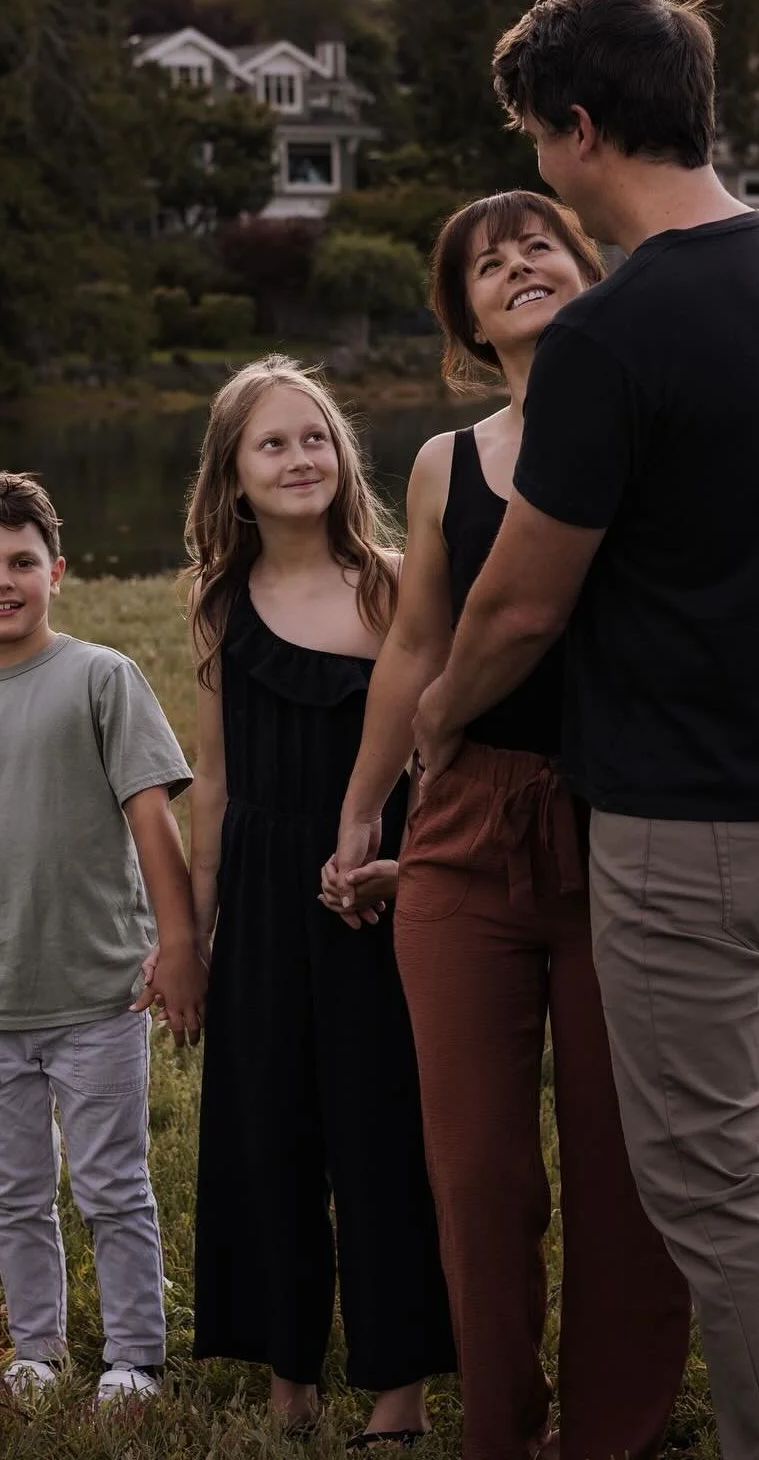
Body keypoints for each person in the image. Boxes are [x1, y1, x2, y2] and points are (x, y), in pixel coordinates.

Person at [412, 0, 759, 1460]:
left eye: (535, 137)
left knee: (710, 1184)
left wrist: (438, 717)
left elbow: (519, 606)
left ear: (580, 131)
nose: (538, 165)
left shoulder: (614, 337)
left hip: (690, 823)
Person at [325, 191, 691, 1460]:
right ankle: (500, 1430)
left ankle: (612, 1434)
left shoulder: (655, 416)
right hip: (466, 816)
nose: (518, 264)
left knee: (622, 1167)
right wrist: (368, 803)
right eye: (487, 264)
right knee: (479, 1176)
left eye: (542, 242)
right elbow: (417, 642)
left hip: (626, 817)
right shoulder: (443, 464)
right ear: (466, 318)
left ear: (594, 271)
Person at [0, 471, 205, 1403]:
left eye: (22, 561)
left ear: (56, 570)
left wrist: (178, 943)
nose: (2, 580)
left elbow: (154, 820)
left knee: (112, 1186)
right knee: (15, 1194)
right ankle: (37, 1352)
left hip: (99, 990)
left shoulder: (102, 678)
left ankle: (135, 1359)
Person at [183, 356, 455, 1448]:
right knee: (266, 1127)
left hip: (375, 893)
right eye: (272, 443)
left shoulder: (394, 583)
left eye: (315, 437)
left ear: (343, 456)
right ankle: (285, 1372)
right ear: (233, 476)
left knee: (382, 1130)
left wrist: (410, 861)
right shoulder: (217, 600)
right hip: (259, 893)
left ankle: (401, 1390)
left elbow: (436, 751)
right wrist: (195, 935)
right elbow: (213, 780)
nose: (300, 458)